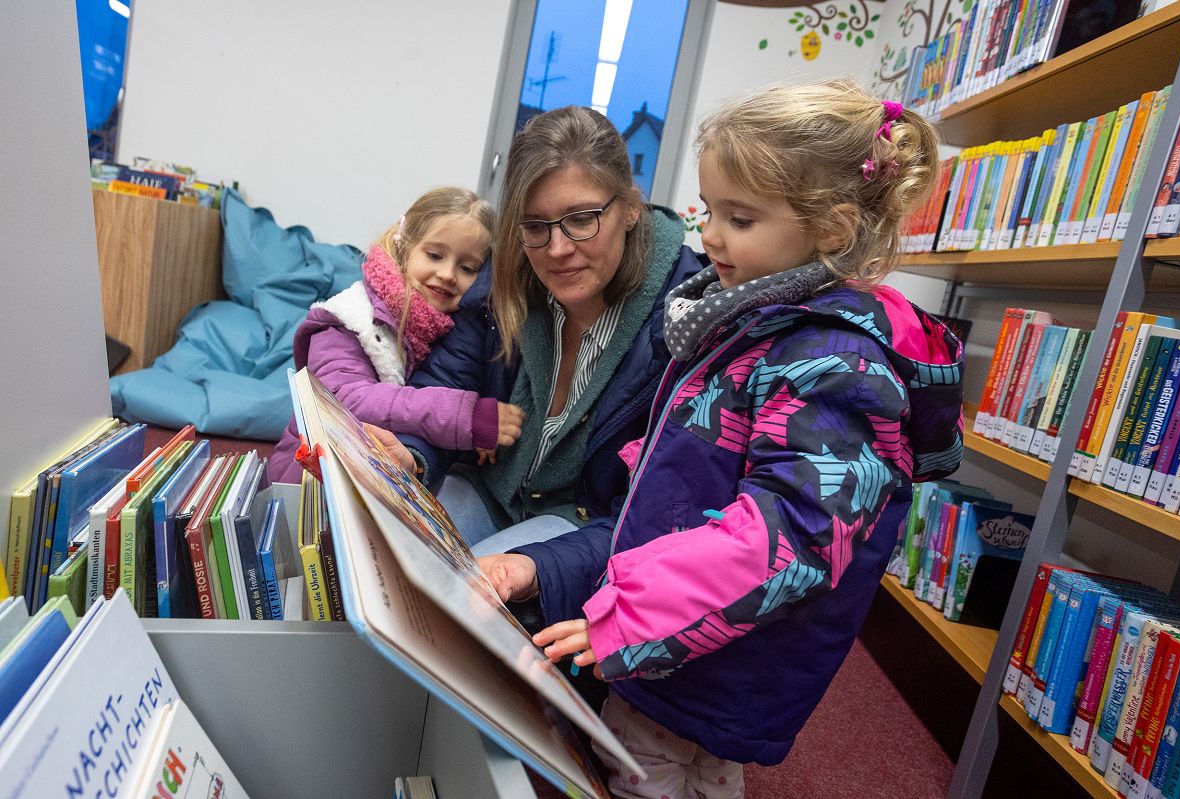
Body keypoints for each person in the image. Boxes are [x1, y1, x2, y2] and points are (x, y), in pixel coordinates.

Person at [478, 79, 966, 798]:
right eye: (709, 211)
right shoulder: (760, 322)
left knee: (644, 767)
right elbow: (727, 441)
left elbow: (791, 534)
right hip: (693, 627)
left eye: (738, 217)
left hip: (705, 644)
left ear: (829, 230)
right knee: (689, 772)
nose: (708, 235)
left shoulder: (836, 362)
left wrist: (629, 614)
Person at [398, 106, 704, 556]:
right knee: (392, 552)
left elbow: (663, 505)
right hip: (487, 485)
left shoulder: (684, 316)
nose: (557, 249)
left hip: (584, 521)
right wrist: (411, 452)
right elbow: (445, 383)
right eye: (535, 225)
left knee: (465, 598)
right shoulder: (504, 275)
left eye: (581, 219)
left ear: (632, 208)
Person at [268, 187, 525, 484]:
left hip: (367, 482)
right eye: (435, 255)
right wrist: (464, 416)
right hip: (307, 483)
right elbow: (343, 399)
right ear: (405, 247)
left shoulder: (442, 326)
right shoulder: (348, 319)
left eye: (467, 268)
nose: (447, 273)